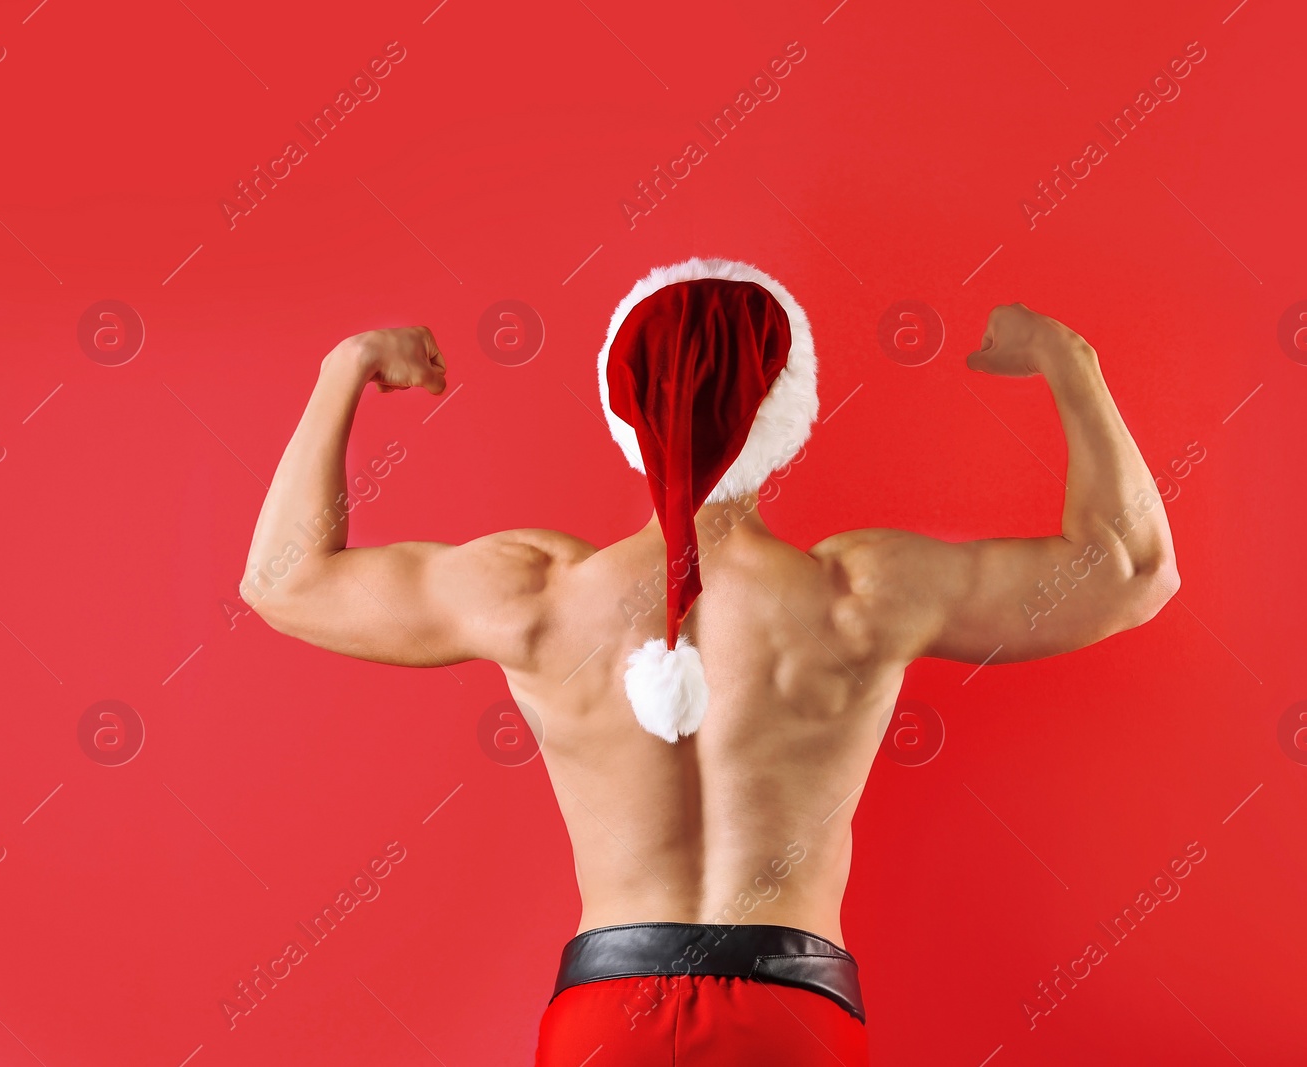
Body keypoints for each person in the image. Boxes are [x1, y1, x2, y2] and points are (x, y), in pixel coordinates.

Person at [240, 258, 1178, 1065]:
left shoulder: (538, 594)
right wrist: (1070, 363)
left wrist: (346, 369)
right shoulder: (860, 593)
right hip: (791, 1014)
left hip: (604, 1019)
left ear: (620, 404)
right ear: (789, 409)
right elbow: (1132, 572)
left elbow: (283, 581)